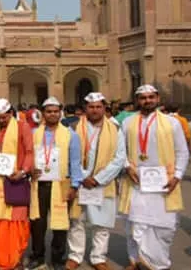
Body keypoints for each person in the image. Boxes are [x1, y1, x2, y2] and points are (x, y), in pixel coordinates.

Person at [120, 85, 188, 270]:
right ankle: (135, 260)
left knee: (164, 227)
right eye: (143, 98)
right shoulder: (128, 123)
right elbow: (120, 150)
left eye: (151, 97)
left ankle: (158, 263)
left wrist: (177, 176)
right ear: (137, 100)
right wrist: (127, 167)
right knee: (135, 223)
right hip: (137, 181)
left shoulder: (171, 123)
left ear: (157, 99)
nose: (147, 101)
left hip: (164, 183)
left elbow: (182, 152)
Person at [66, 92, 126, 270]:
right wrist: (81, 177)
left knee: (102, 222)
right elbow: (67, 154)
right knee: (76, 221)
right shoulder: (74, 126)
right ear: (85, 108)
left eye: (98, 107)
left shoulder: (115, 129)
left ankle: (98, 257)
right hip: (79, 182)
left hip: (102, 183)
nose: (95, 110)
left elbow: (119, 158)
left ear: (104, 108)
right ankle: (75, 255)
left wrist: (98, 179)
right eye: (91, 107)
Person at [27, 97, 83, 270]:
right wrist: (29, 170)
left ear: (60, 113)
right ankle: (38, 256)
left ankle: (58, 258)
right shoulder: (34, 133)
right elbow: (27, 157)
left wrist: (74, 186)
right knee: (37, 223)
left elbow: (75, 162)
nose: (52, 114)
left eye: (55, 111)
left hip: (61, 184)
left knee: (60, 223)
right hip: (39, 184)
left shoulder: (70, 135)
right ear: (43, 113)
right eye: (49, 111)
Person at [0, 98, 34, 270]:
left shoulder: (22, 127)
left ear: (11, 113)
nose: (1, 120)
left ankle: (16, 257)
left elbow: (29, 151)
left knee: (17, 221)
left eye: (4, 117)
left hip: (16, 180)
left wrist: (23, 171)